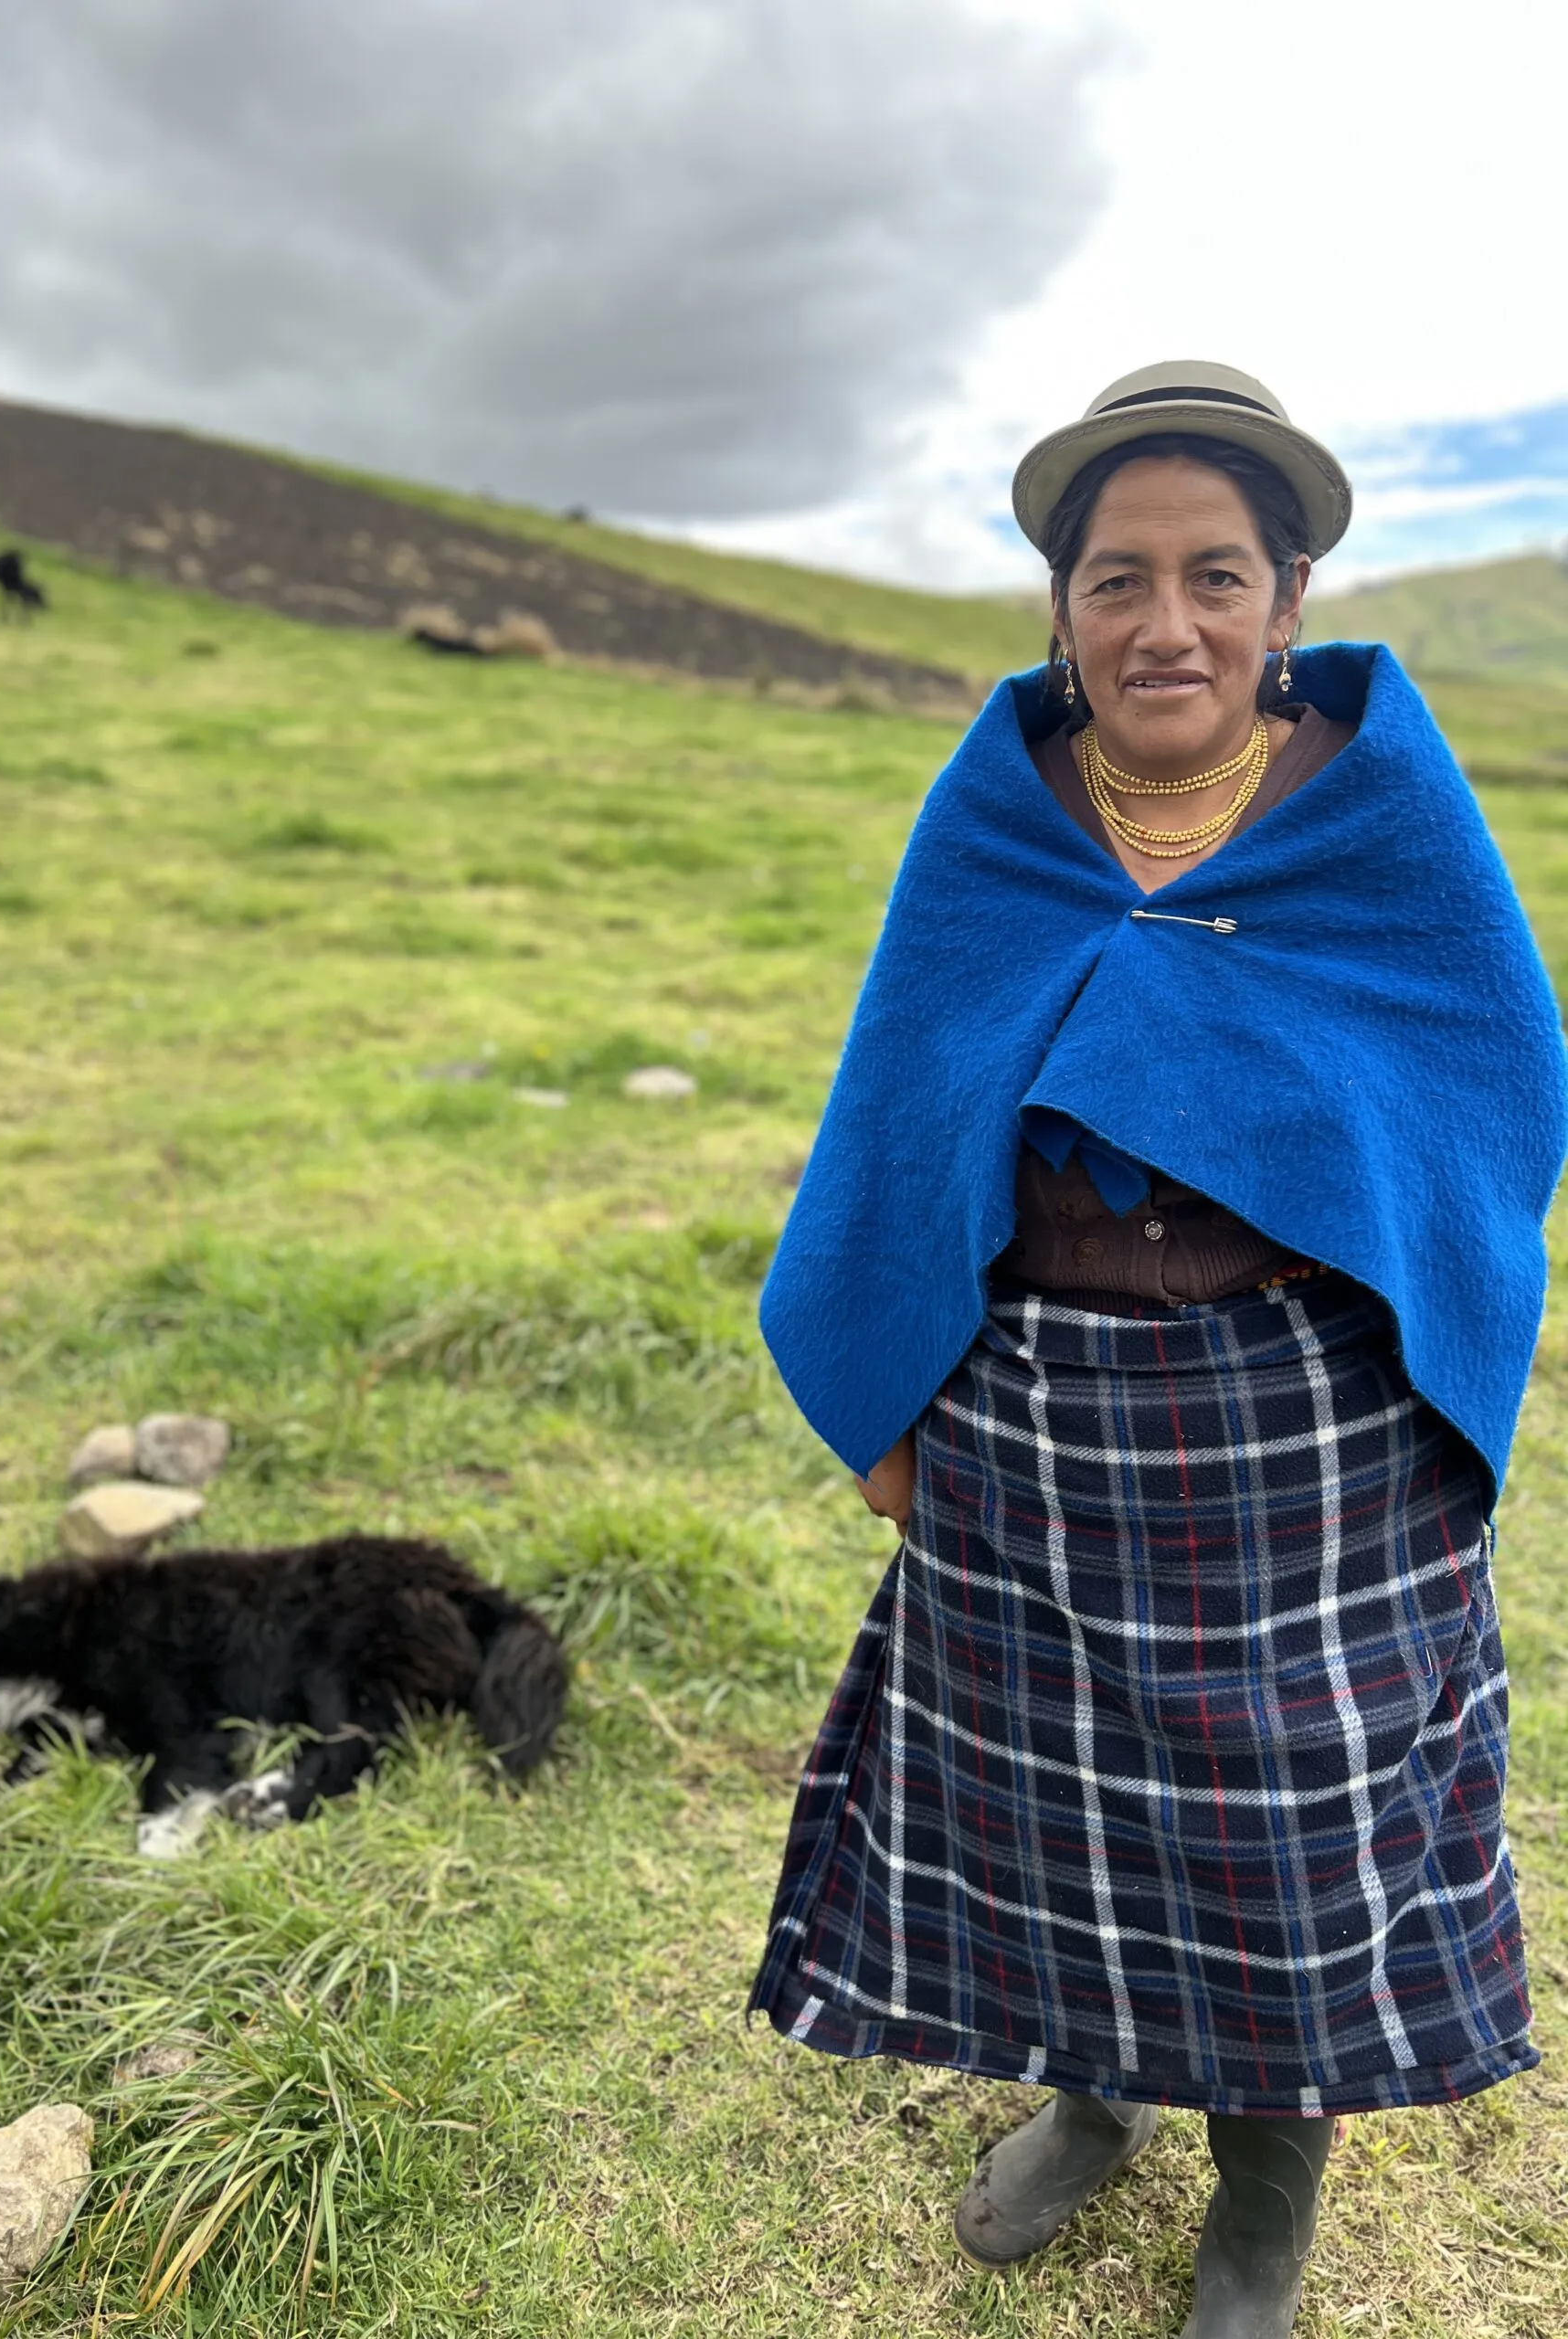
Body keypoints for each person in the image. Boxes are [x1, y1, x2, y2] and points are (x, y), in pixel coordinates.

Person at [748, 362, 1568, 2338]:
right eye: (1119, 577)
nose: (1166, 621)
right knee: (1058, 1804)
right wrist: (892, 1396)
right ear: (1061, 606)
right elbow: (902, 1100)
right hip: (1034, 1410)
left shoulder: (1372, 808)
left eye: (1217, 574)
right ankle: (1091, 2093)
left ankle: (1266, 2204)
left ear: (1291, 600)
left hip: (1309, 1424)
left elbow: (1493, 1083)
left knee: (1293, 1835)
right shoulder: (1002, 810)